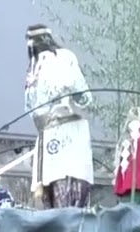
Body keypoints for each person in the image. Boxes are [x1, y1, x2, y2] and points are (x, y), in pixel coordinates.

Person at [24, 23, 94, 209]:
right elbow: (32, 107)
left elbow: (84, 97)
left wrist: (65, 90)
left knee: (69, 189)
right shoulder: (33, 68)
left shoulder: (64, 58)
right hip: (48, 134)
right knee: (49, 193)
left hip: (70, 133)